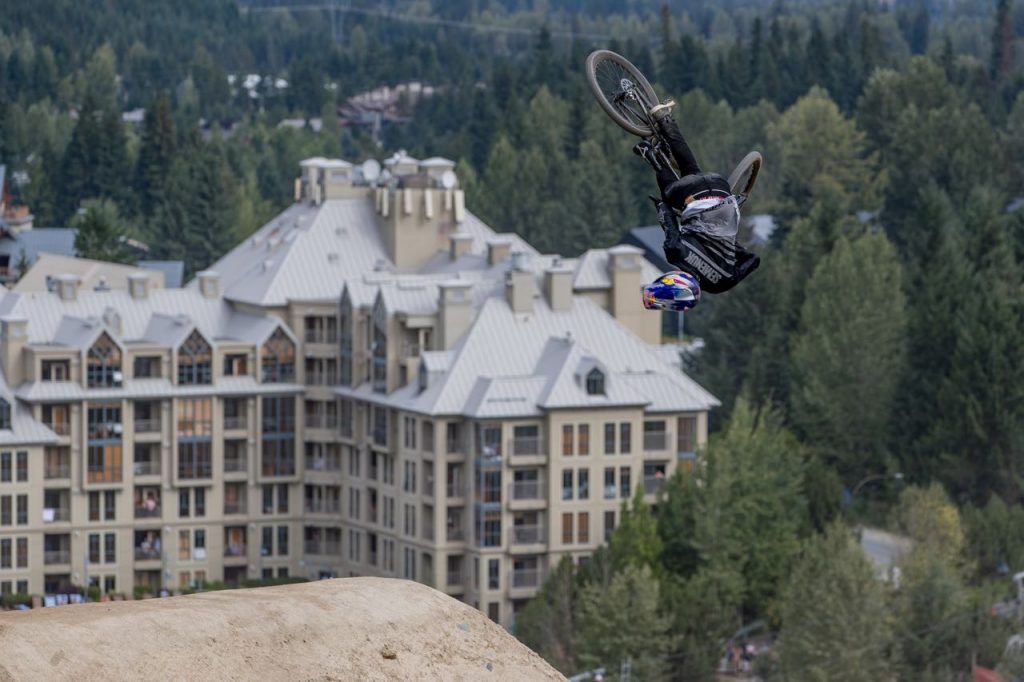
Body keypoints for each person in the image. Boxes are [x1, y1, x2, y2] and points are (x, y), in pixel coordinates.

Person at [635, 101, 760, 308]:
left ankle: (666, 120)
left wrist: (726, 243)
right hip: (690, 195)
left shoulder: (723, 283)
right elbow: (667, 221)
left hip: (722, 191)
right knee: (669, 194)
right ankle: (650, 153)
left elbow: (753, 260)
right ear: (673, 281)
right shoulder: (675, 253)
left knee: (692, 168)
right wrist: (661, 206)